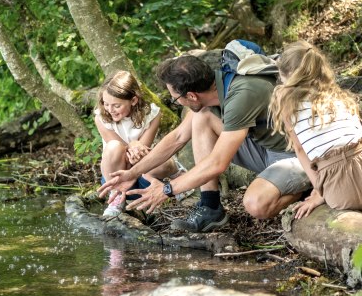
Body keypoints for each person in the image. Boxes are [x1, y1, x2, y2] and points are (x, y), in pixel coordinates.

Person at [98, 53, 312, 232]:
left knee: (256, 204)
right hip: (264, 148)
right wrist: (132, 173)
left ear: (191, 96)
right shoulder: (212, 91)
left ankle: (304, 188)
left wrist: (166, 190)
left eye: (175, 98)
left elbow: (218, 163)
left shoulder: (242, 95)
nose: (177, 102)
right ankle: (211, 207)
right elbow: (178, 138)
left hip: (295, 156)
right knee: (201, 118)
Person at [269, 40, 362, 219]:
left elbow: (300, 149)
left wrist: (319, 191)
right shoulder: (337, 95)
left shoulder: (285, 98)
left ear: (286, 76)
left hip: (340, 186)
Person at [94, 70, 181, 217]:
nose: (110, 110)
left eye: (116, 105)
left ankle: (178, 177)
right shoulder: (101, 118)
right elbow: (122, 152)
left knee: (163, 160)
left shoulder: (152, 114)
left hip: (143, 175)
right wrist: (133, 144)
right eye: (106, 104)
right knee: (114, 147)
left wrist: (136, 145)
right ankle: (116, 200)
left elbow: (140, 153)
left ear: (133, 100)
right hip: (116, 179)